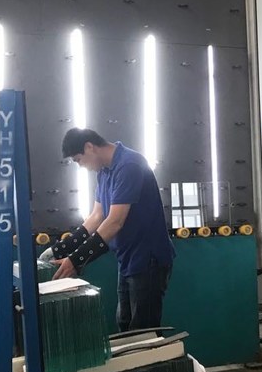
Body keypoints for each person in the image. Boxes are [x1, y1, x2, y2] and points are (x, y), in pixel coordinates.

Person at [43, 128, 175, 331]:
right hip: (128, 258)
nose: (81, 166)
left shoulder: (129, 165)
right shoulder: (104, 172)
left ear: (90, 147)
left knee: (143, 331)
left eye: (78, 160)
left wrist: (76, 260)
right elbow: (96, 217)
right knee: (125, 324)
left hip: (148, 260)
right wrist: (60, 249)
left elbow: (114, 222)